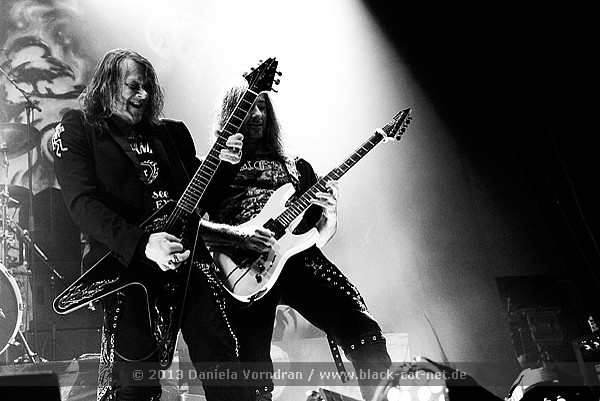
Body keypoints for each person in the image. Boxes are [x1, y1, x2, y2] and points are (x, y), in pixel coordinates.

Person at [52, 48, 251, 401]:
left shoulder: (171, 133)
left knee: (222, 363)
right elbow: (82, 205)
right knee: (137, 384)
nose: (143, 95)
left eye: (147, 87)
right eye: (133, 86)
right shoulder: (79, 128)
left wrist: (228, 164)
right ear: (108, 84)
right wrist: (144, 244)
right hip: (128, 267)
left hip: (187, 261)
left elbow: (203, 197)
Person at [199, 79, 392, 401]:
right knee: (250, 368)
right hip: (239, 266)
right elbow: (194, 225)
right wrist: (236, 239)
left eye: (263, 106)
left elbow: (319, 236)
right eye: (249, 107)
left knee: (364, 332)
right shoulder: (212, 167)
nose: (257, 114)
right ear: (232, 114)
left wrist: (331, 214)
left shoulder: (297, 166)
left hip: (297, 260)